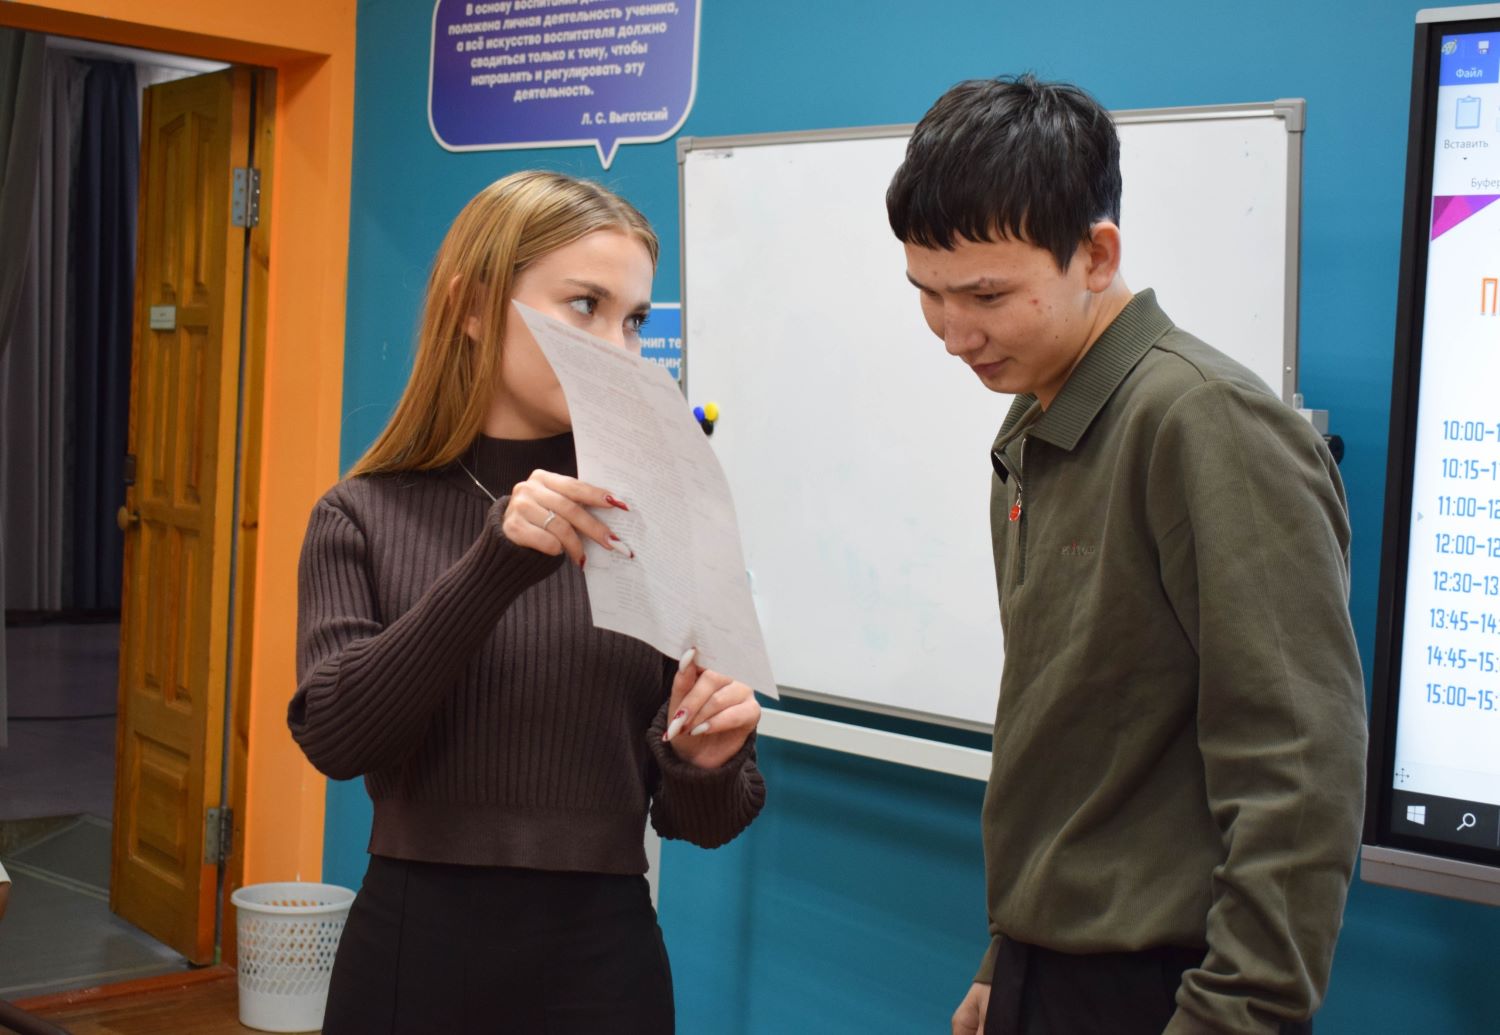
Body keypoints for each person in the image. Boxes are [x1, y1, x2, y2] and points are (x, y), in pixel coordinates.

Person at [886, 75, 1367, 1035]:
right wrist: (1010, 956)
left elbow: (1300, 764)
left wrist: (1234, 1014)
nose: (953, 334)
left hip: (1168, 990)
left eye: (986, 294)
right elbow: (1071, 727)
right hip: (1050, 968)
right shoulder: (1037, 421)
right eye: (927, 295)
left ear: (1097, 255)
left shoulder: (1205, 421)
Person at [289, 170, 765, 1034]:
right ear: (473, 307)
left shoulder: (656, 517)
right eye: (584, 306)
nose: (618, 349)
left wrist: (708, 759)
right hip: (412, 954)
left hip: (603, 961)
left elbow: (699, 821)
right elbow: (336, 736)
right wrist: (495, 562)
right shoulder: (360, 513)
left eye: (634, 320)